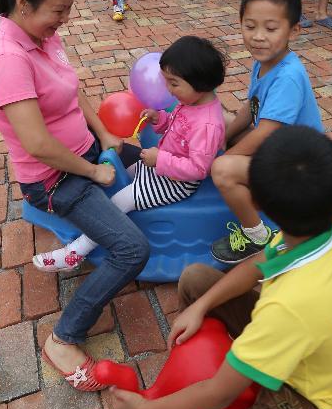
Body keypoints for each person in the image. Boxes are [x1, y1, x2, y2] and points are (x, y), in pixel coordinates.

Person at [110, 125, 332, 409]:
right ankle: (222, 335)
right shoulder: (324, 226)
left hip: (309, 391)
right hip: (297, 329)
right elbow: (261, 264)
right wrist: (203, 304)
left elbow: (218, 394)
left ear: (260, 204)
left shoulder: (293, 307)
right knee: (196, 279)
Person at [0, 0, 150, 390]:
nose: (64, 19)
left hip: (87, 152)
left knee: (160, 164)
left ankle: (79, 245)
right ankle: (63, 338)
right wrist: (93, 174)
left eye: (68, 8)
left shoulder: (43, 36)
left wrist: (107, 137)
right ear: (23, 3)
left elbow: (73, 92)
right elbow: (37, 144)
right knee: (133, 250)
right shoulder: (8, 58)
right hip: (57, 179)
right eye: (58, 10)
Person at [36, 36, 227, 272]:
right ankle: (94, 221)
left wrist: (160, 159)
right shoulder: (191, 101)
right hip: (162, 166)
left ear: (199, 83)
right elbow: (178, 128)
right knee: (121, 176)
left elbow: (198, 168)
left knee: (120, 201)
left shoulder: (208, 124)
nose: (168, 89)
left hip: (176, 183)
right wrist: (161, 120)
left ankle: (76, 252)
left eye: (174, 83)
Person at [210, 0, 323, 265]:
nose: (258, 37)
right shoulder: (264, 62)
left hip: (300, 171)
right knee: (222, 120)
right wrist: (224, 135)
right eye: (250, 26)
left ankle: (257, 237)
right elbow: (251, 107)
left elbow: (266, 131)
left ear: (293, 30)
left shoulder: (288, 76)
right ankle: (254, 189)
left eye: (271, 29)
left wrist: (224, 157)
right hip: (278, 149)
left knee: (222, 170)